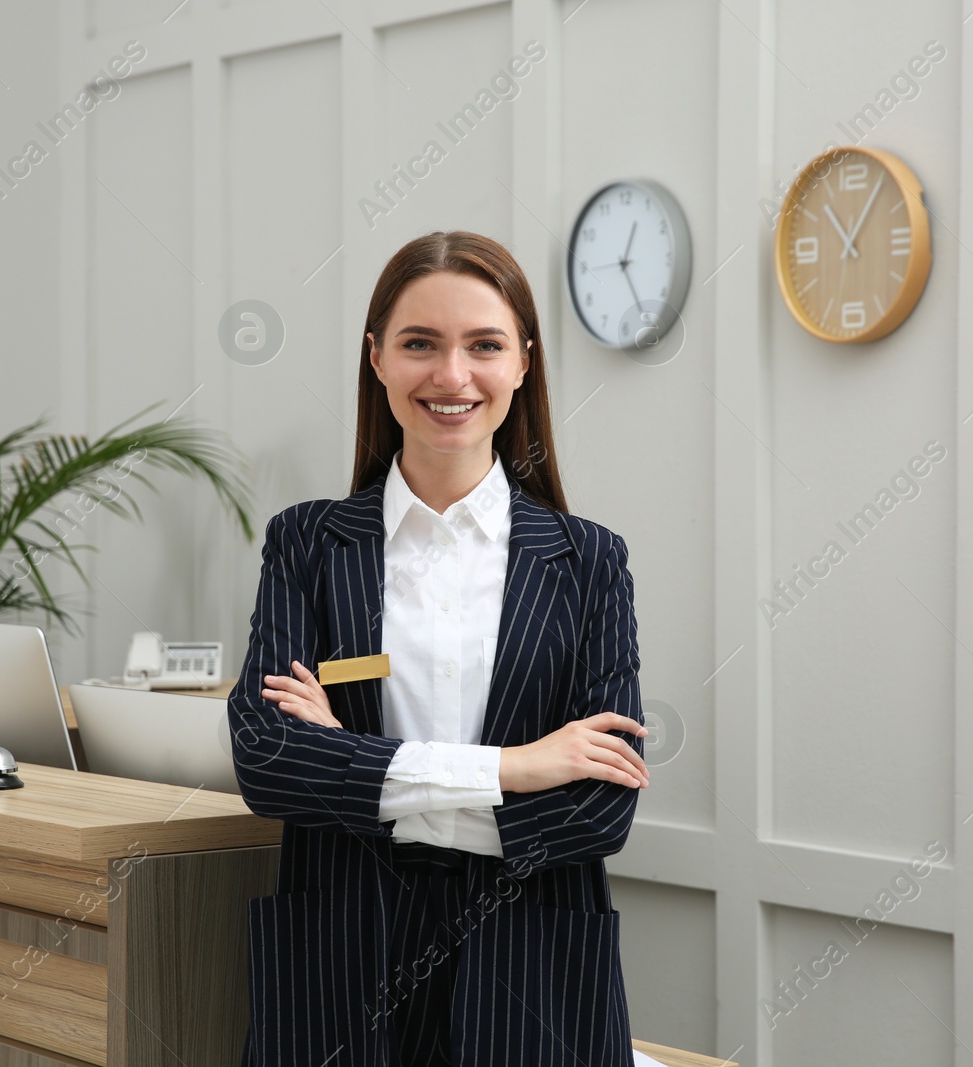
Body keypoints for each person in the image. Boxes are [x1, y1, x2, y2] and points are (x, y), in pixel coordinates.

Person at [228, 230, 650, 1067]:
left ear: (523, 362)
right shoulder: (308, 545)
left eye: (484, 345)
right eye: (420, 343)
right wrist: (514, 769)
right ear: (376, 357)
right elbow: (268, 760)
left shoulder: (591, 561)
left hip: (534, 976)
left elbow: (601, 809)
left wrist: (349, 759)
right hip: (341, 964)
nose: (451, 376)